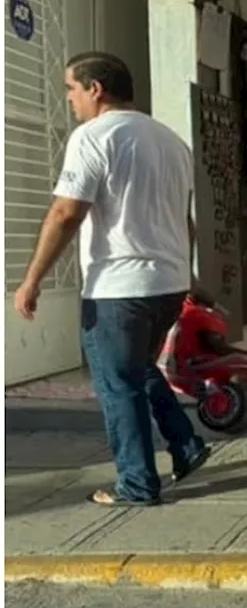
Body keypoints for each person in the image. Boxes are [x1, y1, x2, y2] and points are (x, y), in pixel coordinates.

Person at [14, 52, 210, 506]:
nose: (69, 100)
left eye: (71, 89)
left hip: (119, 288)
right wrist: (188, 272)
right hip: (168, 282)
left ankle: (138, 483)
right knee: (137, 370)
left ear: (96, 89)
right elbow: (186, 222)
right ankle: (185, 444)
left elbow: (66, 212)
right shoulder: (170, 140)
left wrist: (32, 280)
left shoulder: (93, 137)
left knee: (116, 384)